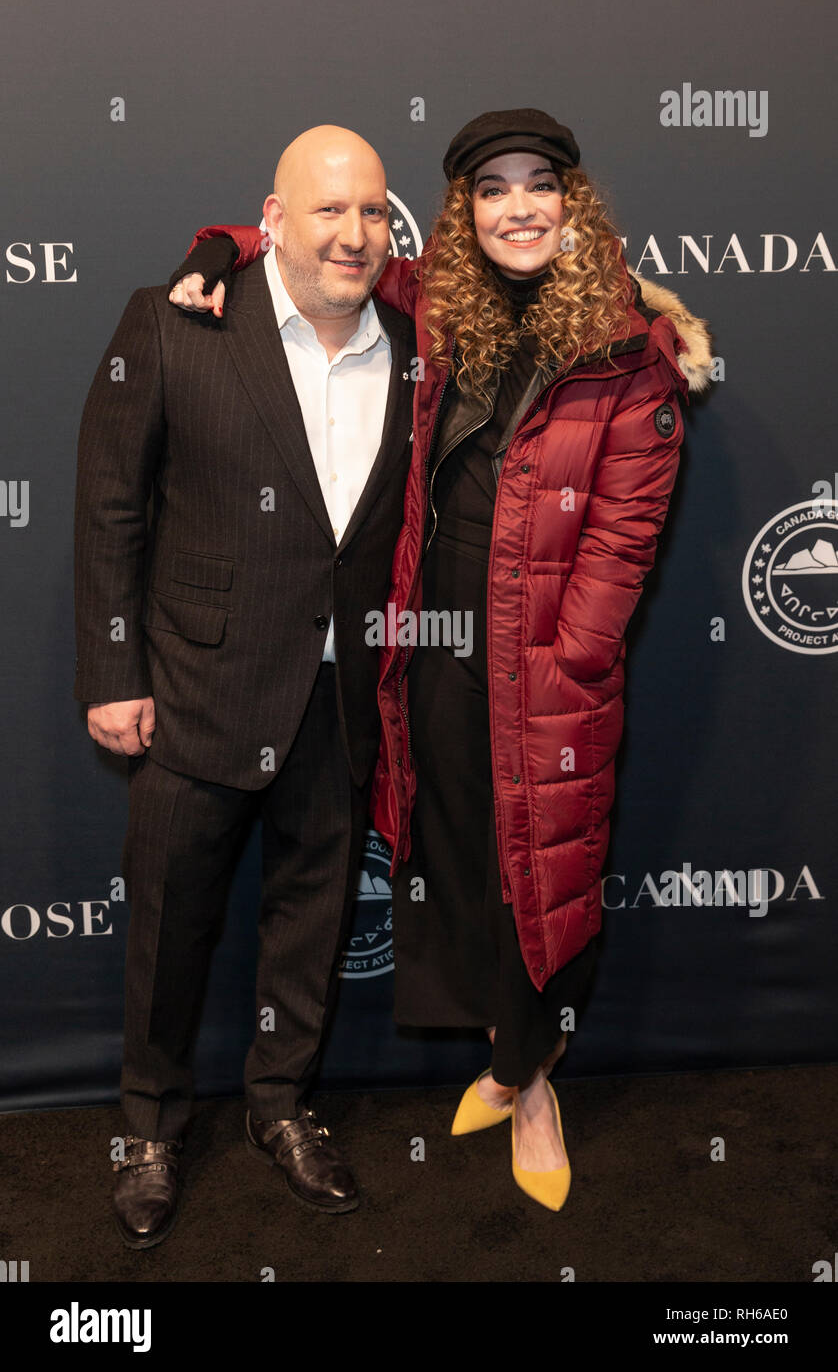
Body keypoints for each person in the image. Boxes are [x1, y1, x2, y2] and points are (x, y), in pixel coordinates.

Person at [168, 108, 713, 1212]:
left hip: (546, 660)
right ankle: (507, 1060)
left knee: (540, 877)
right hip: (429, 642)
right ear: (464, 208)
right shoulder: (437, 297)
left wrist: (575, 657)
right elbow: (305, 246)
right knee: (459, 854)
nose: (519, 207)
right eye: (492, 188)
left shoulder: (626, 347)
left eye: (539, 184)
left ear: (572, 199)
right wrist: (210, 253)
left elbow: (622, 537)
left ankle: (529, 1079)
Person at [74, 126, 417, 1248]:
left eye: (371, 211)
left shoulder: (412, 347)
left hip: (337, 695)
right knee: (170, 926)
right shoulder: (177, 320)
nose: (353, 232)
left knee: (311, 919)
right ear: (271, 218)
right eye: (328, 210)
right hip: (194, 685)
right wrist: (115, 670)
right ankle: (150, 1126)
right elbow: (112, 505)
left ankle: (280, 1104)